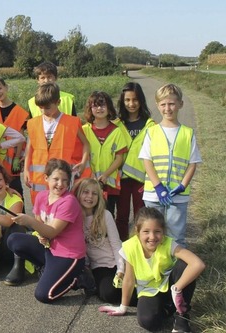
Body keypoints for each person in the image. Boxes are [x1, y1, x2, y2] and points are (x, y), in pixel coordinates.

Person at [99, 207, 205, 332]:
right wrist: (123, 307)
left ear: (163, 231)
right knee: (148, 322)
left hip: (172, 286)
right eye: (146, 231)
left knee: (185, 266)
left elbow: (198, 264)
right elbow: (129, 280)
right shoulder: (130, 246)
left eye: (157, 231)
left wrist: (177, 288)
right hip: (150, 290)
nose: (152, 236)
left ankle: (181, 317)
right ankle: (168, 308)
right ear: (137, 231)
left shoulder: (168, 243)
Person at [9, 159, 90, 303]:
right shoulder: (41, 196)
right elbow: (40, 222)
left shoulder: (68, 202)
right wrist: (40, 235)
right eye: (56, 179)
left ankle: (77, 278)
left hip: (68, 254)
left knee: (44, 295)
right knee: (14, 240)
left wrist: (30, 222)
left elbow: (52, 232)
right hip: (49, 247)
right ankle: (48, 267)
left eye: (65, 180)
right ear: (46, 178)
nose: (60, 184)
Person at [139, 84, 201, 247]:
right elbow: (147, 161)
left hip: (177, 196)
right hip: (154, 194)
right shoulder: (151, 132)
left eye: (172, 103)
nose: (168, 108)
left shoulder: (188, 133)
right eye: (163, 104)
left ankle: (175, 270)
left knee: (176, 236)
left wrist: (182, 186)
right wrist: (158, 187)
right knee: (153, 235)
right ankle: (153, 268)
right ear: (158, 105)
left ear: (180, 104)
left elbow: (192, 164)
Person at [24, 82, 90, 205]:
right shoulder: (32, 123)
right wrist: (26, 170)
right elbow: (29, 147)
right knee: (41, 211)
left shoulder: (72, 122)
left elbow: (86, 144)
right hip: (40, 180)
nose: (44, 111)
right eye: (41, 107)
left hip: (62, 179)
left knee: (63, 210)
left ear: (58, 102)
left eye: (47, 107)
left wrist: (83, 162)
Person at [115, 82, 155, 241]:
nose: (131, 104)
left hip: (142, 179)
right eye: (127, 100)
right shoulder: (117, 124)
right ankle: (122, 249)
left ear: (141, 101)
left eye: (135, 100)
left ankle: (141, 247)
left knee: (141, 215)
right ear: (122, 101)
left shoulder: (150, 125)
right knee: (122, 216)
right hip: (121, 179)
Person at [74, 178, 123, 303]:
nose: (90, 196)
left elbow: (116, 244)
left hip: (116, 261)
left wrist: (121, 269)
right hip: (99, 266)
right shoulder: (74, 219)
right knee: (108, 294)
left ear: (99, 197)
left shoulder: (105, 215)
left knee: (127, 286)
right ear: (78, 194)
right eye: (85, 192)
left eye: (94, 193)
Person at [81, 91, 128, 216]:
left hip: (109, 184)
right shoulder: (85, 130)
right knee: (88, 214)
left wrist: (106, 175)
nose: (99, 108)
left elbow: (119, 158)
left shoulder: (116, 131)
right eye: (95, 105)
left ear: (109, 108)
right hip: (88, 182)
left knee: (107, 214)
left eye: (103, 105)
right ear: (90, 109)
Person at [0, 77, 30, 197]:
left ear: (6, 88)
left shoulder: (20, 112)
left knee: (16, 193)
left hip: (12, 162)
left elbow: (21, 137)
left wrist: (17, 158)